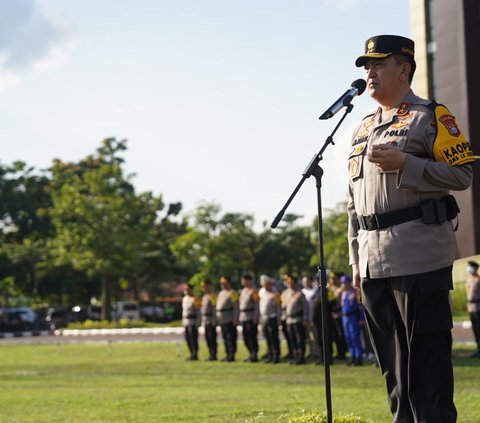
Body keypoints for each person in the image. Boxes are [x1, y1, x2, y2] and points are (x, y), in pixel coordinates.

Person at [347, 34, 474, 422]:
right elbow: (354, 204)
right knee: (395, 375)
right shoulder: (363, 127)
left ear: (404, 69)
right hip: (372, 264)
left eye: (378, 64)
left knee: (427, 370)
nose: (369, 72)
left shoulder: (431, 116)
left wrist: (407, 163)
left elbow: (462, 174)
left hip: (418, 256)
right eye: (366, 66)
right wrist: (355, 261)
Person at [339, 275, 363, 366]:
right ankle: (352, 356)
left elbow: (360, 307)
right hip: (345, 318)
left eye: (345, 283)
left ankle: (358, 357)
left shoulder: (356, 292)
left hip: (353, 317)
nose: (344, 285)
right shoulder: (343, 293)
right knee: (348, 338)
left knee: (355, 338)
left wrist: (361, 318)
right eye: (343, 283)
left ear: (349, 283)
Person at [284, 274, 308, 365]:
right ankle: (295, 356)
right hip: (289, 319)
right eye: (289, 283)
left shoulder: (300, 294)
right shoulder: (287, 294)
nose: (290, 284)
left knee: (300, 339)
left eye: (291, 282)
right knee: (292, 339)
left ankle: (301, 357)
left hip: (298, 319)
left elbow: (305, 308)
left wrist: (305, 319)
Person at [259, 275, 281, 364]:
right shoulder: (261, 292)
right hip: (264, 317)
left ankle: (276, 355)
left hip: (273, 317)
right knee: (267, 337)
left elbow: (279, 307)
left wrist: (279, 318)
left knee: (274, 338)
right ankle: (270, 354)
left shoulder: (275, 293)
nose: (265, 286)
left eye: (266, 284)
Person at [215, 276, 239, 362]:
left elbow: (236, 307)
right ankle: (227, 353)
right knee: (225, 337)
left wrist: (235, 319)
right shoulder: (221, 293)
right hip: (222, 318)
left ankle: (231, 354)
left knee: (230, 337)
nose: (223, 285)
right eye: (222, 283)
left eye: (224, 283)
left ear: (228, 283)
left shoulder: (232, 293)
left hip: (229, 317)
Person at [239, 273, 260, 362]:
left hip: (251, 316)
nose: (242, 282)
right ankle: (250, 353)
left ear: (248, 281)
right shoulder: (243, 291)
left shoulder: (254, 291)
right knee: (245, 337)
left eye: (244, 280)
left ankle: (254, 354)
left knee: (252, 336)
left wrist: (256, 317)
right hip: (243, 316)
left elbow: (256, 305)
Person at [181, 283, 201, 361]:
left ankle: (195, 353)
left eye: (188, 289)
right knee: (187, 338)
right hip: (186, 321)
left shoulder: (196, 299)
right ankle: (191, 353)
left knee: (193, 338)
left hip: (193, 321)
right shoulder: (184, 299)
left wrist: (198, 322)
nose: (186, 291)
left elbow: (199, 311)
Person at [301, 276, 319, 359]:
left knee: (315, 335)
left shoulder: (315, 290)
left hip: (314, 316)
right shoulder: (303, 291)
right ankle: (311, 351)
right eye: (304, 282)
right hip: (306, 317)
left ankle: (317, 351)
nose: (305, 283)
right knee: (308, 336)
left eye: (306, 281)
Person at [200, 279, 218, 361]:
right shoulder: (204, 297)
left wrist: (214, 320)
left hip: (211, 319)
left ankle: (213, 354)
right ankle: (210, 354)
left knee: (212, 337)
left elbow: (214, 309)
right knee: (207, 338)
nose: (204, 288)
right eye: (203, 287)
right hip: (205, 319)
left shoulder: (213, 296)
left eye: (205, 287)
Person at [466, 260, 480, 358]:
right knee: (475, 329)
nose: (469, 268)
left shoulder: (478, 280)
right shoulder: (469, 280)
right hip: (471, 308)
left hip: (478, 307)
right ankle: (478, 348)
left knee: (479, 329)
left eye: (471, 266)